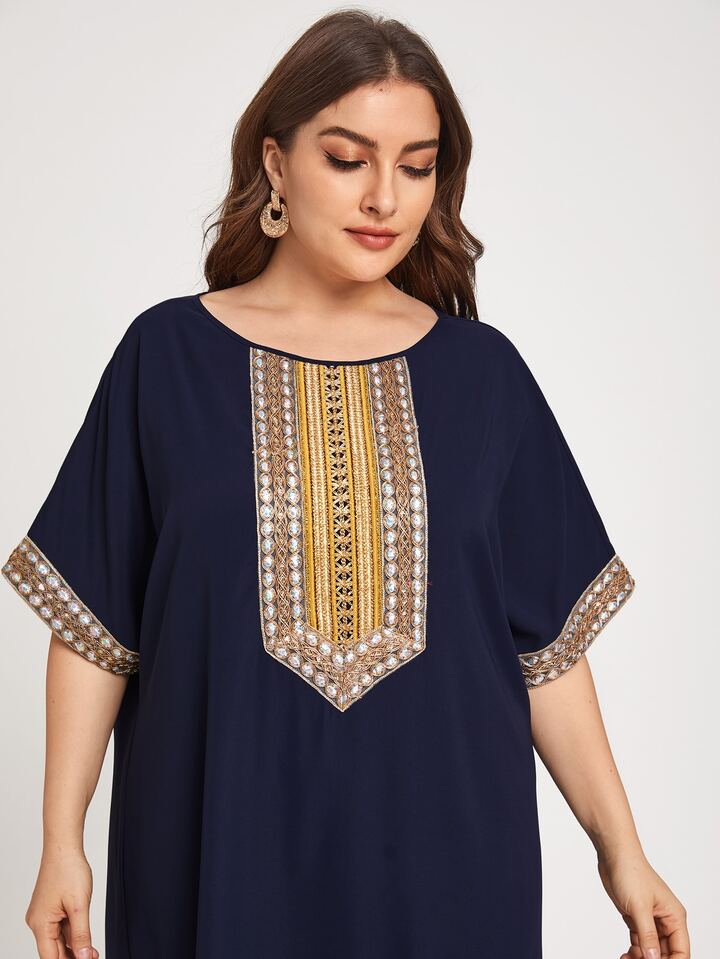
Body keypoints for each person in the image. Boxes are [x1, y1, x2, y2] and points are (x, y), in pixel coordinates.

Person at [2, 9, 689, 959]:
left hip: (453, 864)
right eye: (346, 158)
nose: (384, 198)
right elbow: (95, 629)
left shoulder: (484, 376)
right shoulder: (165, 358)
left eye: (417, 165)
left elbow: (547, 651)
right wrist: (60, 842)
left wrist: (624, 852)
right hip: (218, 847)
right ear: (276, 164)